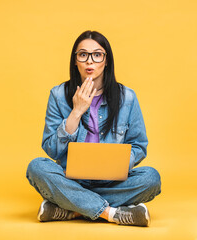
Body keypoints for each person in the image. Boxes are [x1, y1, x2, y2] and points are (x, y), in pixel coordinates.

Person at [25, 30, 161, 227]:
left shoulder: (128, 97)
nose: (90, 61)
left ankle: (72, 209)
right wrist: (76, 112)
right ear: (75, 61)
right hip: (70, 178)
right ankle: (111, 213)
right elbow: (51, 149)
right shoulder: (57, 95)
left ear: (106, 61)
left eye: (97, 55)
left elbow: (139, 145)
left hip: (112, 181)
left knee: (151, 178)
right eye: (83, 55)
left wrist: (116, 165)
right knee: (36, 167)